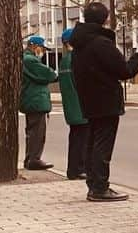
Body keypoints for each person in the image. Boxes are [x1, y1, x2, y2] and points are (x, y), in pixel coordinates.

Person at [70, 2, 138, 202]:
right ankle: (100, 187)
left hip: (89, 99)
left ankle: (94, 184)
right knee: (103, 145)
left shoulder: (79, 44)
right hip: (106, 100)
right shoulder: (101, 44)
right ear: (105, 19)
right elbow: (124, 71)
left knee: (92, 141)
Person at [20, 35, 58, 170]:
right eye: (42, 48)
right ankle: (34, 159)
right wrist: (51, 73)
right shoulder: (30, 60)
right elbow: (50, 74)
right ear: (34, 46)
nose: (42, 52)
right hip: (35, 100)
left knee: (32, 132)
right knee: (37, 132)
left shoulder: (26, 59)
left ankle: (30, 158)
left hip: (32, 99)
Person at [58, 28, 88, 180]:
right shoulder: (76, 59)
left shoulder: (64, 61)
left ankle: (73, 169)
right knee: (82, 140)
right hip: (80, 106)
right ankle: (79, 168)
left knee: (75, 138)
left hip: (70, 106)